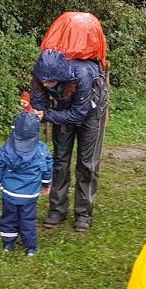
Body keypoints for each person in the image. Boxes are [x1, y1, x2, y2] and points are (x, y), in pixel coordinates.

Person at [30, 49, 108, 232]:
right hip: (63, 109)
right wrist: (40, 113)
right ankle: (57, 210)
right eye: (43, 80)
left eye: (50, 80)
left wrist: (47, 115)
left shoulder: (82, 75)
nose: (45, 84)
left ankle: (83, 214)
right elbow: (40, 105)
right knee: (60, 160)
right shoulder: (39, 78)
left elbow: (79, 113)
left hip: (91, 113)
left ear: (61, 75)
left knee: (87, 164)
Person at [0, 111, 53, 256]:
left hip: (9, 193)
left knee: (8, 217)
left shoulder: (6, 148)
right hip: (29, 194)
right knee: (28, 219)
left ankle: (8, 244)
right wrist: (46, 184)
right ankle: (31, 247)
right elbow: (47, 168)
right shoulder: (41, 149)